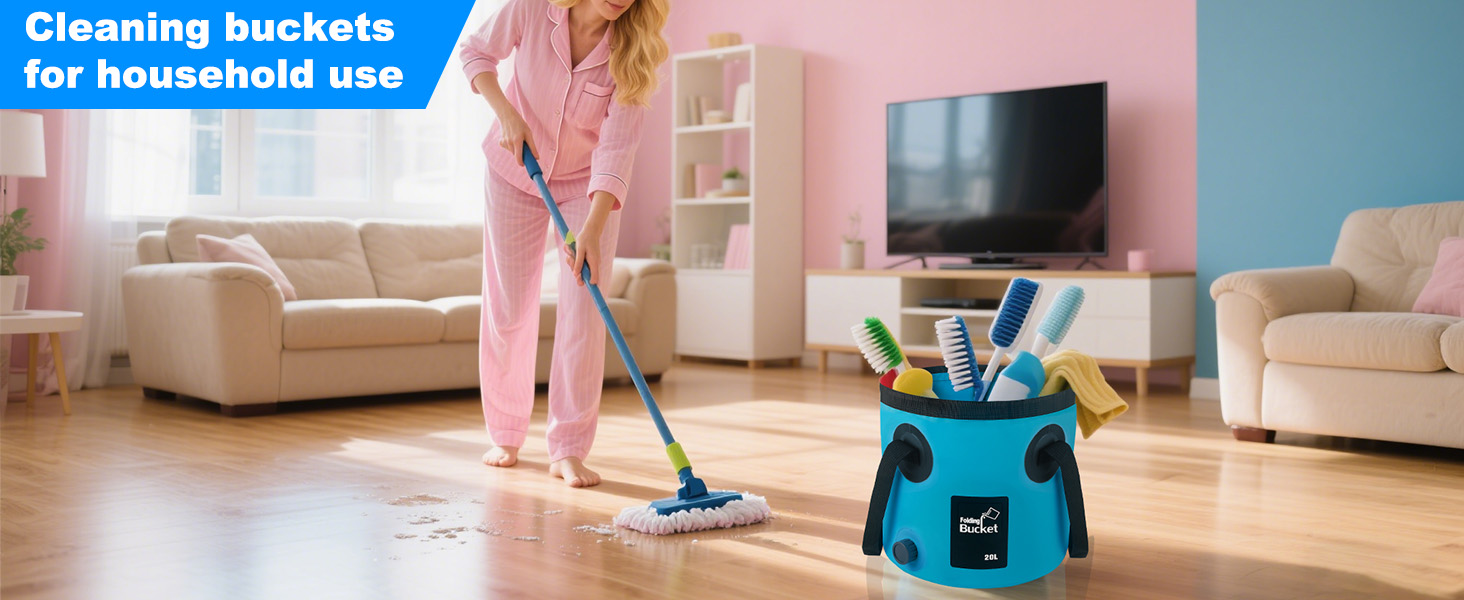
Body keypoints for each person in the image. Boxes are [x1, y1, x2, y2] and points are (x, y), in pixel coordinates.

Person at [460, 0, 669, 487]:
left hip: (584, 188)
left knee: (585, 308)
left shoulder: (634, 50)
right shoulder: (533, 8)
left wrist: (594, 228)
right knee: (509, 307)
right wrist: (508, 114)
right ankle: (506, 433)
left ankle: (569, 448)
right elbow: (474, 53)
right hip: (514, 171)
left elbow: (618, 147)